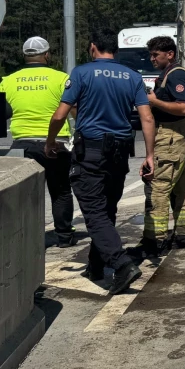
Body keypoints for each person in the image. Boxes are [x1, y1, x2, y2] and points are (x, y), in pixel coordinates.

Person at [45, 31, 155, 295]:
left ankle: (121, 263)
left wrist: (50, 141)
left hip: (91, 151)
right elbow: (147, 118)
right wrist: (150, 155)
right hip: (119, 152)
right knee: (107, 209)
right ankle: (95, 264)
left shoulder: (82, 73)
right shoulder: (132, 76)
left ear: (93, 47)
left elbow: (61, 114)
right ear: (114, 50)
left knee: (94, 211)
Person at [0, 37, 76, 244]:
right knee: (60, 190)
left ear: (25, 55)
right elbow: (75, 111)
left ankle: (27, 236)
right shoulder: (61, 78)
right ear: (47, 55)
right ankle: (65, 236)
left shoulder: (8, 81)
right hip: (56, 142)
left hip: (23, 144)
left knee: (27, 194)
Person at [138, 35, 185, 255]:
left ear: (169, 54)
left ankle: (156, 240)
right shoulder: (169, 75)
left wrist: (154, 102)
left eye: (156, 55)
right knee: (184, 189)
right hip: (183, 138)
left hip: (173, 138)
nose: (152, 59)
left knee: (158, 189)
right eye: (151, 55)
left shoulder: (176, 75)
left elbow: (184, 108)